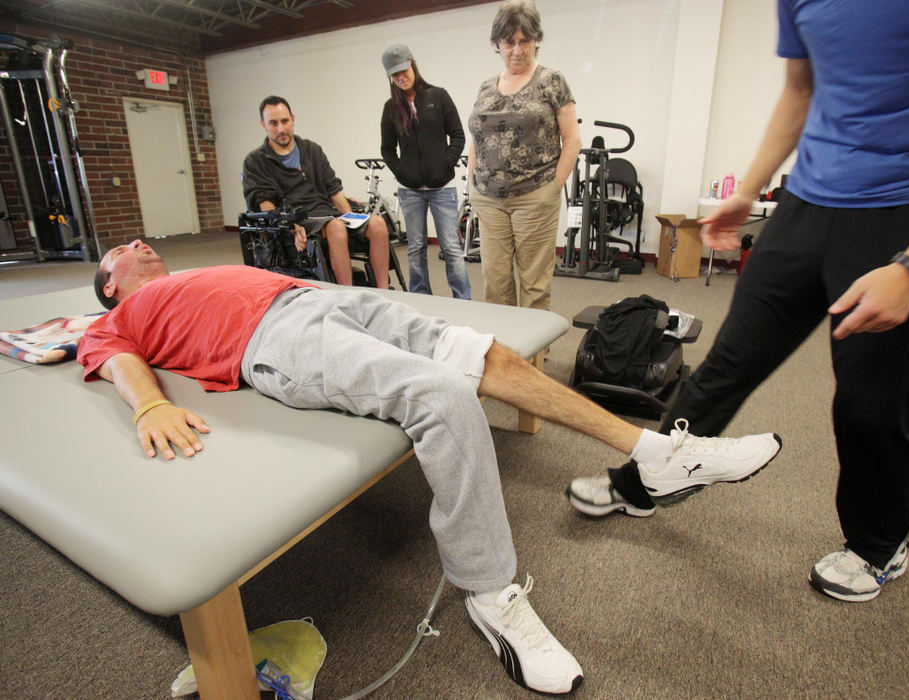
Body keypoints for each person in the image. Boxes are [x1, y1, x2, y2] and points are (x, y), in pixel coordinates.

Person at [80, 239, 781, 694]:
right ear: (113, 287)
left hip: (322, 299)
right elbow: (112, 358)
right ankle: (490, 593)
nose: (138, 245)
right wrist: (147, 407)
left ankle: (656, 455)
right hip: (273, 338)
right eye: (120, 253)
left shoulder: (201, 269)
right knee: (444, 397)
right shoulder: (123, 316)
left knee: (490, 356)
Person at [568, 0, 909, 604]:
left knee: (870, 407)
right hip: (805, 205)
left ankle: (880, 545)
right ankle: (644, 482)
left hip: (908, 210)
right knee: (726, 364)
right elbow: (799, 90)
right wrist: (746, 189)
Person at [467, 0, 580, 310]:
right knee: (495, 284)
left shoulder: (551, 81)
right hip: (489, 199)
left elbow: (572, 140)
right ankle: (506, 356)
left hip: (535, 195)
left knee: (534, 286)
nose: (516, 50)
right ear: (497, 44)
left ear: (535, 41)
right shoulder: (486, 87)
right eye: (508, 42)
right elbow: (477, 136)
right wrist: (470, 182)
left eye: (524, 41)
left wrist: (553, 187)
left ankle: (534, 359)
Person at [243, 95, 390, 288]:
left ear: (293, 119)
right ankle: (348, 296)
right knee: (336, 227)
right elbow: (266, 204)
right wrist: (289, 226)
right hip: (297, 221)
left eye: (285, 121)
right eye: (273, 123)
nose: (281, 129)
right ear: (263, 125)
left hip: (328, 214)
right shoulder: (256, 161)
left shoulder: (312, 150)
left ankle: (385, 293)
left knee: (377, 223)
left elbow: (335, 192)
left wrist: (353, 218)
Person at [380, 43, 471, 299]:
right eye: (395, 75)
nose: (401, 77)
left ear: (414, 64)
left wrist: (445, 164)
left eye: (404, 70)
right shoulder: (390, 108)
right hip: (410, 191)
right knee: (415, 248)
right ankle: (422, 299)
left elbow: (458, 136)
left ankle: (463, 300)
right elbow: (387, 149)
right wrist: (403, 173)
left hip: (442, 188)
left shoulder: (438, 96)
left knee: (452, 247)